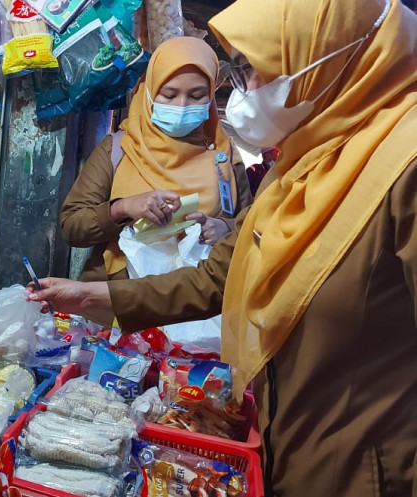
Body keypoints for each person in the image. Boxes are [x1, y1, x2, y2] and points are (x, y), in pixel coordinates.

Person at [30, 0, 417, 494]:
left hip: (365, 468)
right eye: (236, 73)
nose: (244, 91)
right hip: (287, 445)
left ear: (328, 56)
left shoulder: (402, 163)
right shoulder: (306, 160)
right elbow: (221, 276)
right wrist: (90, 295)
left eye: (253, 69)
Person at [60, 36, 251, 325]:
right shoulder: (119, 149)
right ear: (149, 92)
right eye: (169, 95)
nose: (182, 105)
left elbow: (251, 227)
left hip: (196, 313)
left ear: (212, 96)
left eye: (197, 95)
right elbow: (72, 227)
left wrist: (224, 228)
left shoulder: (225, 158)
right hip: (115, 310)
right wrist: (123, 208)